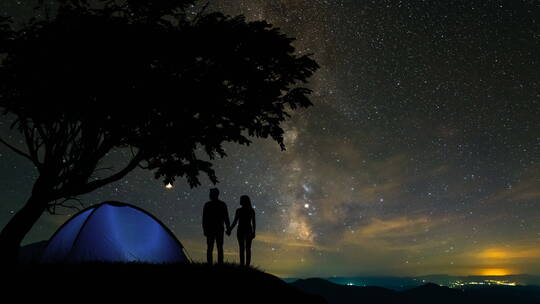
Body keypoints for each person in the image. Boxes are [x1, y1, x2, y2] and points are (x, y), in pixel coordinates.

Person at [202, 188, 230, 265]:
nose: (209, 195)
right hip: (219, 228)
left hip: (211, 229)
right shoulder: (222, 204)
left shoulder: (207, 205)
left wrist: (204, 228)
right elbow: (226, 217)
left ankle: (210, 264)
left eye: (210, 194)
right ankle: (219, 264)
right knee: (219, 247)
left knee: (210, 247)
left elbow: (204, 218)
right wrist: (228, 228)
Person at [227, 195, 256, 266]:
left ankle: (243, 265)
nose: (240, 201)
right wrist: (254, 232)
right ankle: (246, 265)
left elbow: (235, 221)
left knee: (243, 248)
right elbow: (254, 222)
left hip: (242, 230)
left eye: (241, 199)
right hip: (247, 229)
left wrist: (230, 229)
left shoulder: (239, 210)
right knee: (247, 248)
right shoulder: (250, 210)